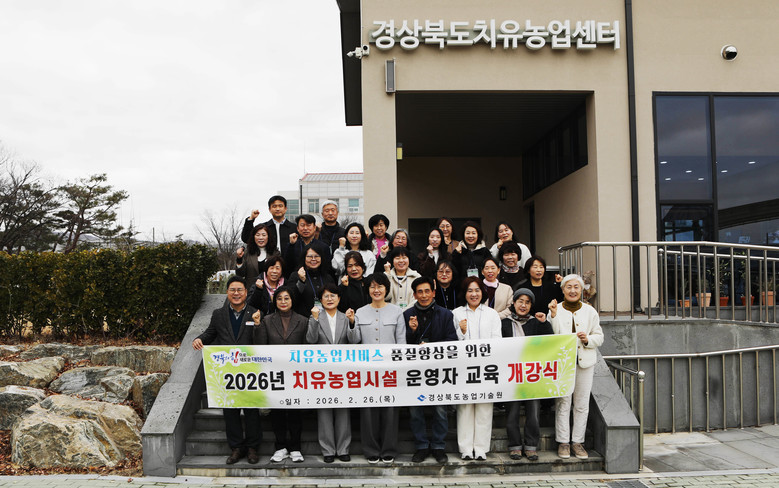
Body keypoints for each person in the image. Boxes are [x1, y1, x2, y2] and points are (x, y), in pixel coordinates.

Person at [192, 276, 262, 465]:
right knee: (230, 411)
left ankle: (253, 448)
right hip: (227, 371)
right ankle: (236, 448)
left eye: (240, 290)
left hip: (249, 370)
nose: (236, 293)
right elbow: (210, 333)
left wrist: (257, 325)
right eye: (232, 290)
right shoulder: (219, 314)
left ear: (246, 293)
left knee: (251, 410)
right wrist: (199, 339)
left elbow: (261, 340)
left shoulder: (255, 313)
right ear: (227, 292)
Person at [347, 273, 406, 464]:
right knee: (368, 410)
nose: (376, 290)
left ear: (386, 289)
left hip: (390, 370)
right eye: (372, 287)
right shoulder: (360, 312)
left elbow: (401, 342)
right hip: (368, 371)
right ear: (368, 290)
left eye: (380, 286)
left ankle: (389, 449)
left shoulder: (397, 312)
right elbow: (354, 340)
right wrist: (352, 323)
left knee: (390, 410)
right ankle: (370, 449)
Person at [549, 274, 604, 461]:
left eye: (576, 287)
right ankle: (563, 442)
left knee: (581, 403)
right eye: (568, 287)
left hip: (584, 362)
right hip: (563, 363)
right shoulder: (555, 309)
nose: (572, 290)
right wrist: (553, 315)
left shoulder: (590, 311)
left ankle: (578, 442)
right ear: (562, 289)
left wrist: (587, 339)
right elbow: (553, 335)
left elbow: (599, 336)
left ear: (581, 290)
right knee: (563, 402)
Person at [404, 277, 457, 464]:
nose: (424, 295)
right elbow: (401, 345)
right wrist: (412, 331)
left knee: (440, 410)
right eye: (420, 292)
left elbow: (452, 341)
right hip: (415, 372)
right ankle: (421, 446)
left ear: (434, 292)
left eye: (427, 291)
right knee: (415, 410)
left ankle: (438, 446)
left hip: (439, 371)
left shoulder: (446, 314)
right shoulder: (407, 315)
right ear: (414, 294)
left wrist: (432, 348)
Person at [253, 286, 308, 463]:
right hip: (275, 374)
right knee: (277, 412)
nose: (283, 302)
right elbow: (260, 346)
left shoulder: (303, 320)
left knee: (295, 412)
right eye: (279, 299)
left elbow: (307, 348)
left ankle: (295, 447)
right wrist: (257, 325)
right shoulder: (267, 320)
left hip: (296, 374)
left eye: (286, 298)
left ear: (292, 300)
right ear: (274, 301)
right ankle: (280, 447)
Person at [452, 277, 502, 460]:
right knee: (465, 407)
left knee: (484, 408)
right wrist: (462, 332)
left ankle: (481, 449)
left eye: (477, 290)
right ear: (464, 293)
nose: (474, 294)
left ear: (483, 292)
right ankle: (465, 449)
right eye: (470, 290)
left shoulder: (492, 314)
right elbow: (452, 343)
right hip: (464, 369)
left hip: (487, 368)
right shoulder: (456, 313)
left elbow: (497, 340)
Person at [501, 288, 552, 462]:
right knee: (512, 412)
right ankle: (514, 446)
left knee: (533, 413)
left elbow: (550, 341)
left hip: (532, 375)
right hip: (511, 375)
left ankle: (531, 446)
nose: (523, 305)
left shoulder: (536, 322)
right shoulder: (504, 323)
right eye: (520, 301)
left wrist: (545, 323)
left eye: (527, 302)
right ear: (513, 303)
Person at [306, 284, 354, 463]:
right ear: (320, 300)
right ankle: (327, 450)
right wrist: (314, 320)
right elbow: (310, 340)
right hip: (322, 372)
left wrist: (352, 322)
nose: (329, 299)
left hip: (343, 372)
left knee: (343, 411)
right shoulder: (315, 317)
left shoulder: (346, 317)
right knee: (324, 410)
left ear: (339, 298)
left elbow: (355, 340)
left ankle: (343, 449)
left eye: (333, 295)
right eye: (325, 296)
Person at [287, 244, 335, 317]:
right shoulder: (295, 276)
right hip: (303, 319)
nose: (313, 259)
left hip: (325, 319)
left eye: (317, 256)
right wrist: (301, 281)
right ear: (304, 258)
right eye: (309, 256)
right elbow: (291, 299)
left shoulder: (328, 277)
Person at [236, 223, 278, 289]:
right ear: (253, 237)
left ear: (268, 237)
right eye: (257, 235)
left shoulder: (275, 253)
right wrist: (239, 259)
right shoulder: (247, 253)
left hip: (270, 290)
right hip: (251, 290)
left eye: (264, 235)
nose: (260, 238)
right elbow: (240, 274)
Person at [383, 246, 422, 311]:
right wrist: (388, 275)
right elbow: (386, 297)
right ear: (392, 261)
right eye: (397, 258)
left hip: (411, 314)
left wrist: (405, 312)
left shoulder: (416, 277)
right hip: (390, 314)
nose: (401, 261)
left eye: (404, 258)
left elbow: (418, 299)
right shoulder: (386, 275)